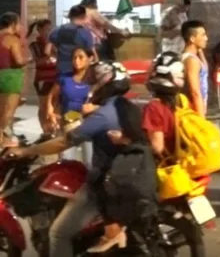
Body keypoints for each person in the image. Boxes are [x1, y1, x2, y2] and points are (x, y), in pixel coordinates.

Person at [7, 61, 132, 257]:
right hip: (128, 174)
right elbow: (73, 115)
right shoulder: (125, 107)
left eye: (96, 83)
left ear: (105, 84)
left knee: (58, 234)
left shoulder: (103, 115)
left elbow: (64, 143)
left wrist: (28, 151)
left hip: (105, 181)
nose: (93, 88)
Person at [139, 52, 205, 257]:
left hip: (165, 170)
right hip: (185, 167)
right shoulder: (181, 101)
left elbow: (157, 147)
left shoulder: (154, 107)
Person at [50, 4, 97, 83]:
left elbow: (47, 51)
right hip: (80, 73)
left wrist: (59, 56)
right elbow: (93, 56)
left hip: (62, 70)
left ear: (70, 16)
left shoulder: (56, 30)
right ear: (84, 17)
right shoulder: (86, 33)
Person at [29, 19, 58, 134]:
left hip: (56, 77)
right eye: (46, 29)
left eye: (50, 29)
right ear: (39, 30)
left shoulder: (55, 43)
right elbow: (39, 61)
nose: (49, 32)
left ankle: (52, 128)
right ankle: (45, 130)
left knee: (54, 105)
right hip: (44, 78)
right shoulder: (35, 44)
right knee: (44, 105)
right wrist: (49, 54)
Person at [0, 13, 25, 139]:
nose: (20, 26)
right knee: (8, 113)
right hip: (10, 76)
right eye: (19, 23)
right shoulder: (12, 39)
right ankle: (2, 139)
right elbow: (19, 61)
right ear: (12, 24)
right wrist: (30, 59)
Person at [180, 20, 209, 117]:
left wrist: (199, 50)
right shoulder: (191, 61)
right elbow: (195, 92)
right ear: (192, 39)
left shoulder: (191, 58)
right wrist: (202, 121)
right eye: (203, 35)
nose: (206, 38)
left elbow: (205, 69)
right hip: (192, 112)